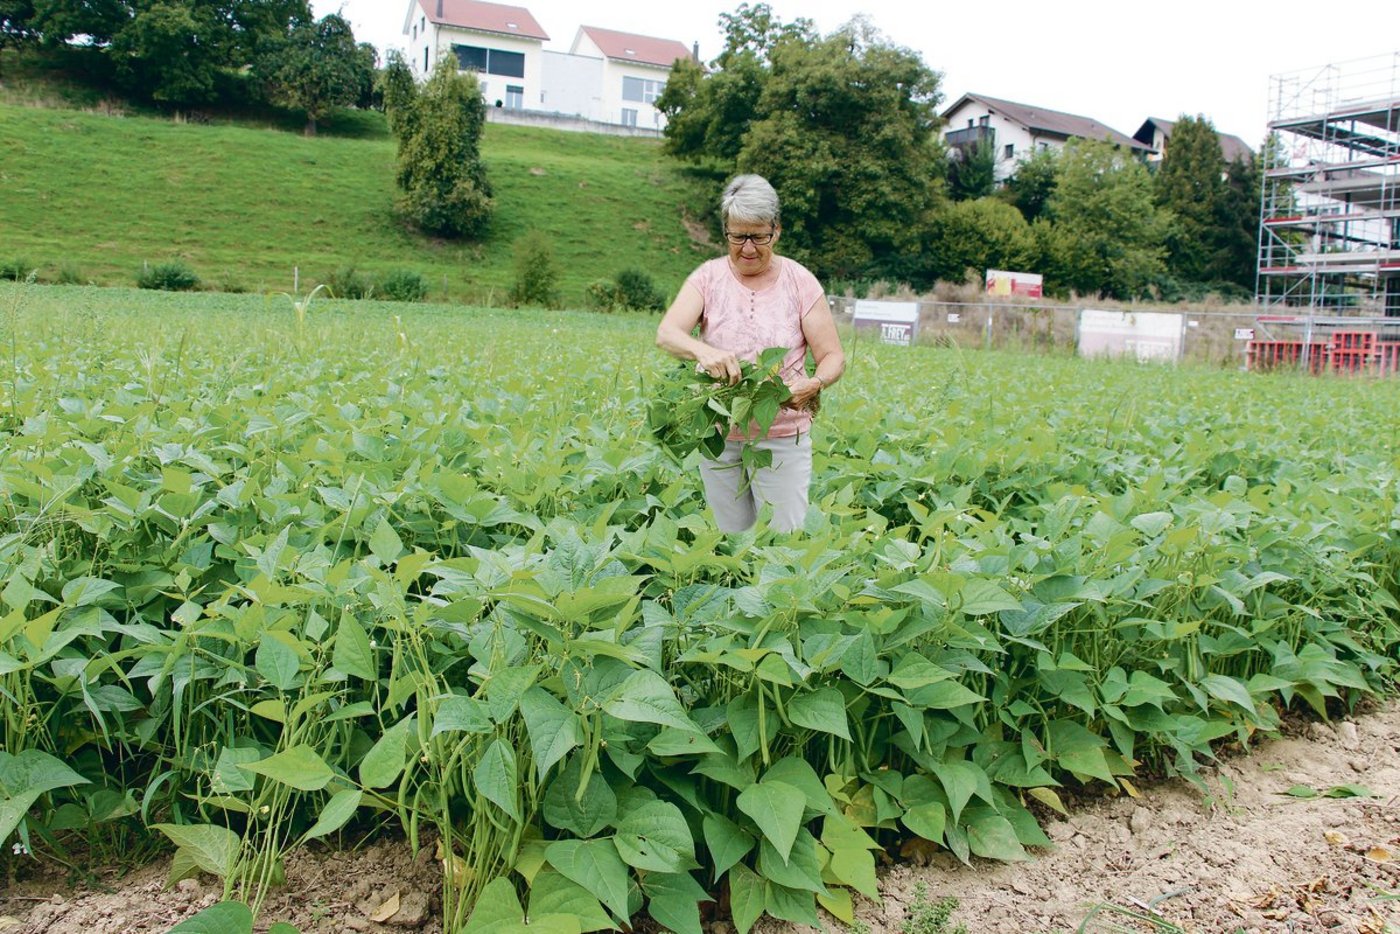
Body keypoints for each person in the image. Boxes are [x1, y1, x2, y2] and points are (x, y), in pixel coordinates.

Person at [656, 174, 845, 533]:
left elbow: (834, 356)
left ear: (776, 230)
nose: (747, 248)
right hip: (719, 434)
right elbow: (667, 333)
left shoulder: (800, 281)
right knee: (732, 540)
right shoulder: (708, 278)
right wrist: (702, 351)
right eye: (737, 236)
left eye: (758, 236)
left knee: (783, 540)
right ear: (725, 231)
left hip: (781, 432)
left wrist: (815, 383)